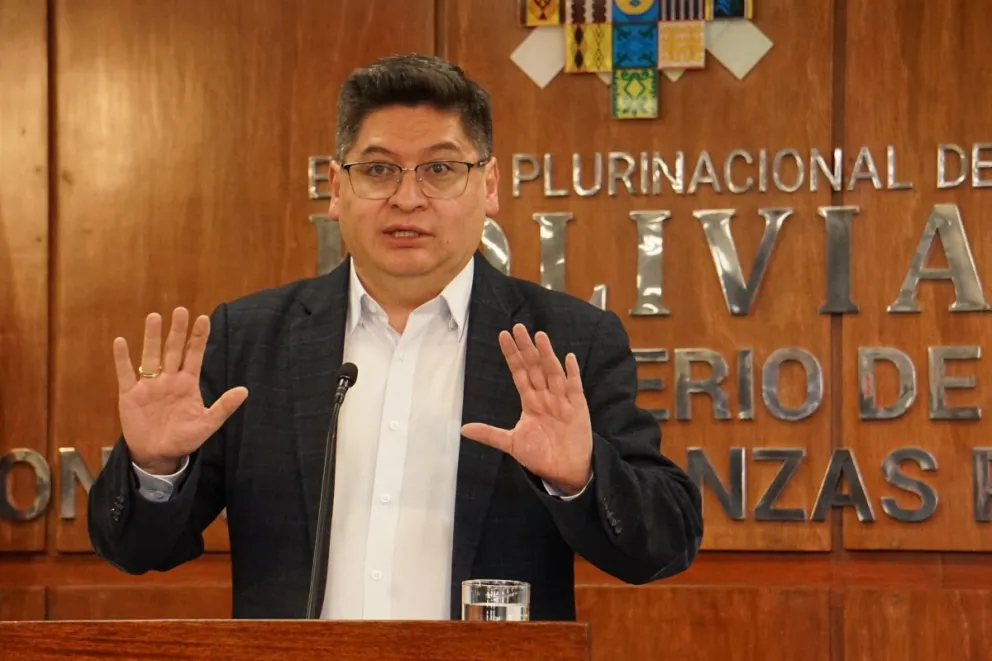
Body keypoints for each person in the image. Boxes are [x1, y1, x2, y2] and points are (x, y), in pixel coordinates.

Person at [87, 53, 703, 621]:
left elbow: (663, 544)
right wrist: (156, 468)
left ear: (489, 186)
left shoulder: (567, 341)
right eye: (379, 169)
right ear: (337, 188)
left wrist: (581, 477)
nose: (408, 198)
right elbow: (137, 550)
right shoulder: (252, 341)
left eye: (440, 169)